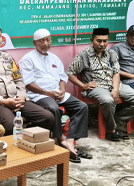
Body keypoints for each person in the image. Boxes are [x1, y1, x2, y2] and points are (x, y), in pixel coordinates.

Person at [0, 24, 55, 137]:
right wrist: (4, 101)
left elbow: (18, 79)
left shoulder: (7, 57)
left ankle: (29, 140)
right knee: (10, 124)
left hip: (16, 100)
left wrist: (21, 97)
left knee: (47, 117)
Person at [19, 29, 90, 162]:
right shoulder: (28, 59)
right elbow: (28, 84)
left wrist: (62, 90)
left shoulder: (54, 58)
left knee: (82, 106)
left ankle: (70, 140)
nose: (46, 43)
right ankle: (60, 139)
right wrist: (48, 93)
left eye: (48, 40)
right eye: (41, 41)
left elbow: (62, 77)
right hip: (39, 95)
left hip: (57, 93)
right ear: (35, 43)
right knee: (53, 108)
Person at [67, 28, 134, 141]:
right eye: (98, 41)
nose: (102, 44)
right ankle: (111, 129)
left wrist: (115, 89)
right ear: (92, 40)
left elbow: (116, 72)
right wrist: (83, 86)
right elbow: (70, 73)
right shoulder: (83, 55)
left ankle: (118, 120)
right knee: (108, 100)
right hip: (97, 87)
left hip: (114, 84)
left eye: (105, 41)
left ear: (108, 40)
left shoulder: (111, 53)